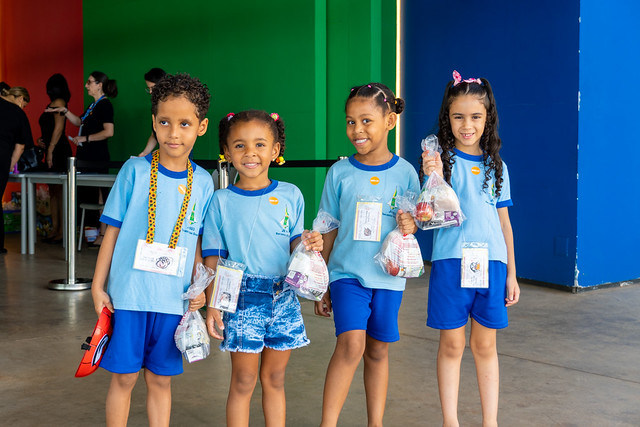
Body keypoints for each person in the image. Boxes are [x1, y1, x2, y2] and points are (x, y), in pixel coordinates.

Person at [90, 73, 214, 426]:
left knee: (160, 378)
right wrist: (98, 287)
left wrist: (200, 289)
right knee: (124, 377)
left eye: (185, 124)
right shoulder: (134, 170)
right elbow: (110, 232)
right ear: (154, 123)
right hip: (128, 295)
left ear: (201, 127)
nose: (173, 133)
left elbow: (198, 244)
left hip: (172, 300)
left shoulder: (203, 183)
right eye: (164, 122)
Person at [203, 110, 323, 427]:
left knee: (274, 378)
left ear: (275, 150)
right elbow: (213, 257)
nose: (250, 153)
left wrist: (310, 245)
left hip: (283, 296)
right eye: (239, 145)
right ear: (226, 152)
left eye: (260, 144)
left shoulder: (291, 195)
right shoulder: (220, 201)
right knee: (243, 381)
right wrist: (213, 303)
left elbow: (294, 247)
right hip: (240, 298)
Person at [314, 83, 420, 426]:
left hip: (389, 279)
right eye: (350, 122)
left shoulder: (405, 172)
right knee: (351, 346)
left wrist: (410, 223)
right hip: (347, 275)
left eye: (366, 121)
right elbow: (328, 227)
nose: (356, 130)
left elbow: (415, 222)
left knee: (378, 350)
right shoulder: (339, 173)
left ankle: (376, 422)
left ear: (389, 120)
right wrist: (323, 282)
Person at [421, 70, 520, 427]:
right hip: (450, 263)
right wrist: (431, 176)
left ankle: (489, 421)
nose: (467, 125)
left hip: (491, 265)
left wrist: (511, 272)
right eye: (458, 116)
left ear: (487, 118)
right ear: (447, 118)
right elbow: (426, 213)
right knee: (451, 345)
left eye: (476, 117)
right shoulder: (440, 162)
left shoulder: (499, 167)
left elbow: (504, 223)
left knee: (485, 346)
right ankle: (451, 421)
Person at [47, 71, 118, 246]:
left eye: (89, 82)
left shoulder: (105, 105)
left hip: (98, 157)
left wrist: (85, 138)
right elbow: (79, 122)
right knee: (91, 196)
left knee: (101, 195)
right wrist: (65, 111)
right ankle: (95, 233)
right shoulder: (92, 106)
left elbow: (109, 132)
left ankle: (103, 235)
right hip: (86, 157)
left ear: (99, 85)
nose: (86, 85)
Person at [39, 74, 72, 243]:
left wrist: (50, 149)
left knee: (60, 191)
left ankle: (62, 231)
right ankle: (55, 228)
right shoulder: (53, 104)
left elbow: (59, 129)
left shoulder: (59, 103)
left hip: (58, 150)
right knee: (53, 192)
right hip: (51, 148)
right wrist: (42, 141)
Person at [0, 84, 33, 254]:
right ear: (20, 99)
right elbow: (20, 146)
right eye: (24, 104)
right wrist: (11, 164)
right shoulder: (17, 113)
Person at [138, 67, 167, 157]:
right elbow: (154, 135)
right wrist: (145, 153)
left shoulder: (173, 104)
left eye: (153, 88)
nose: (151, 92)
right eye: (148, 89)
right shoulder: (156, 106)